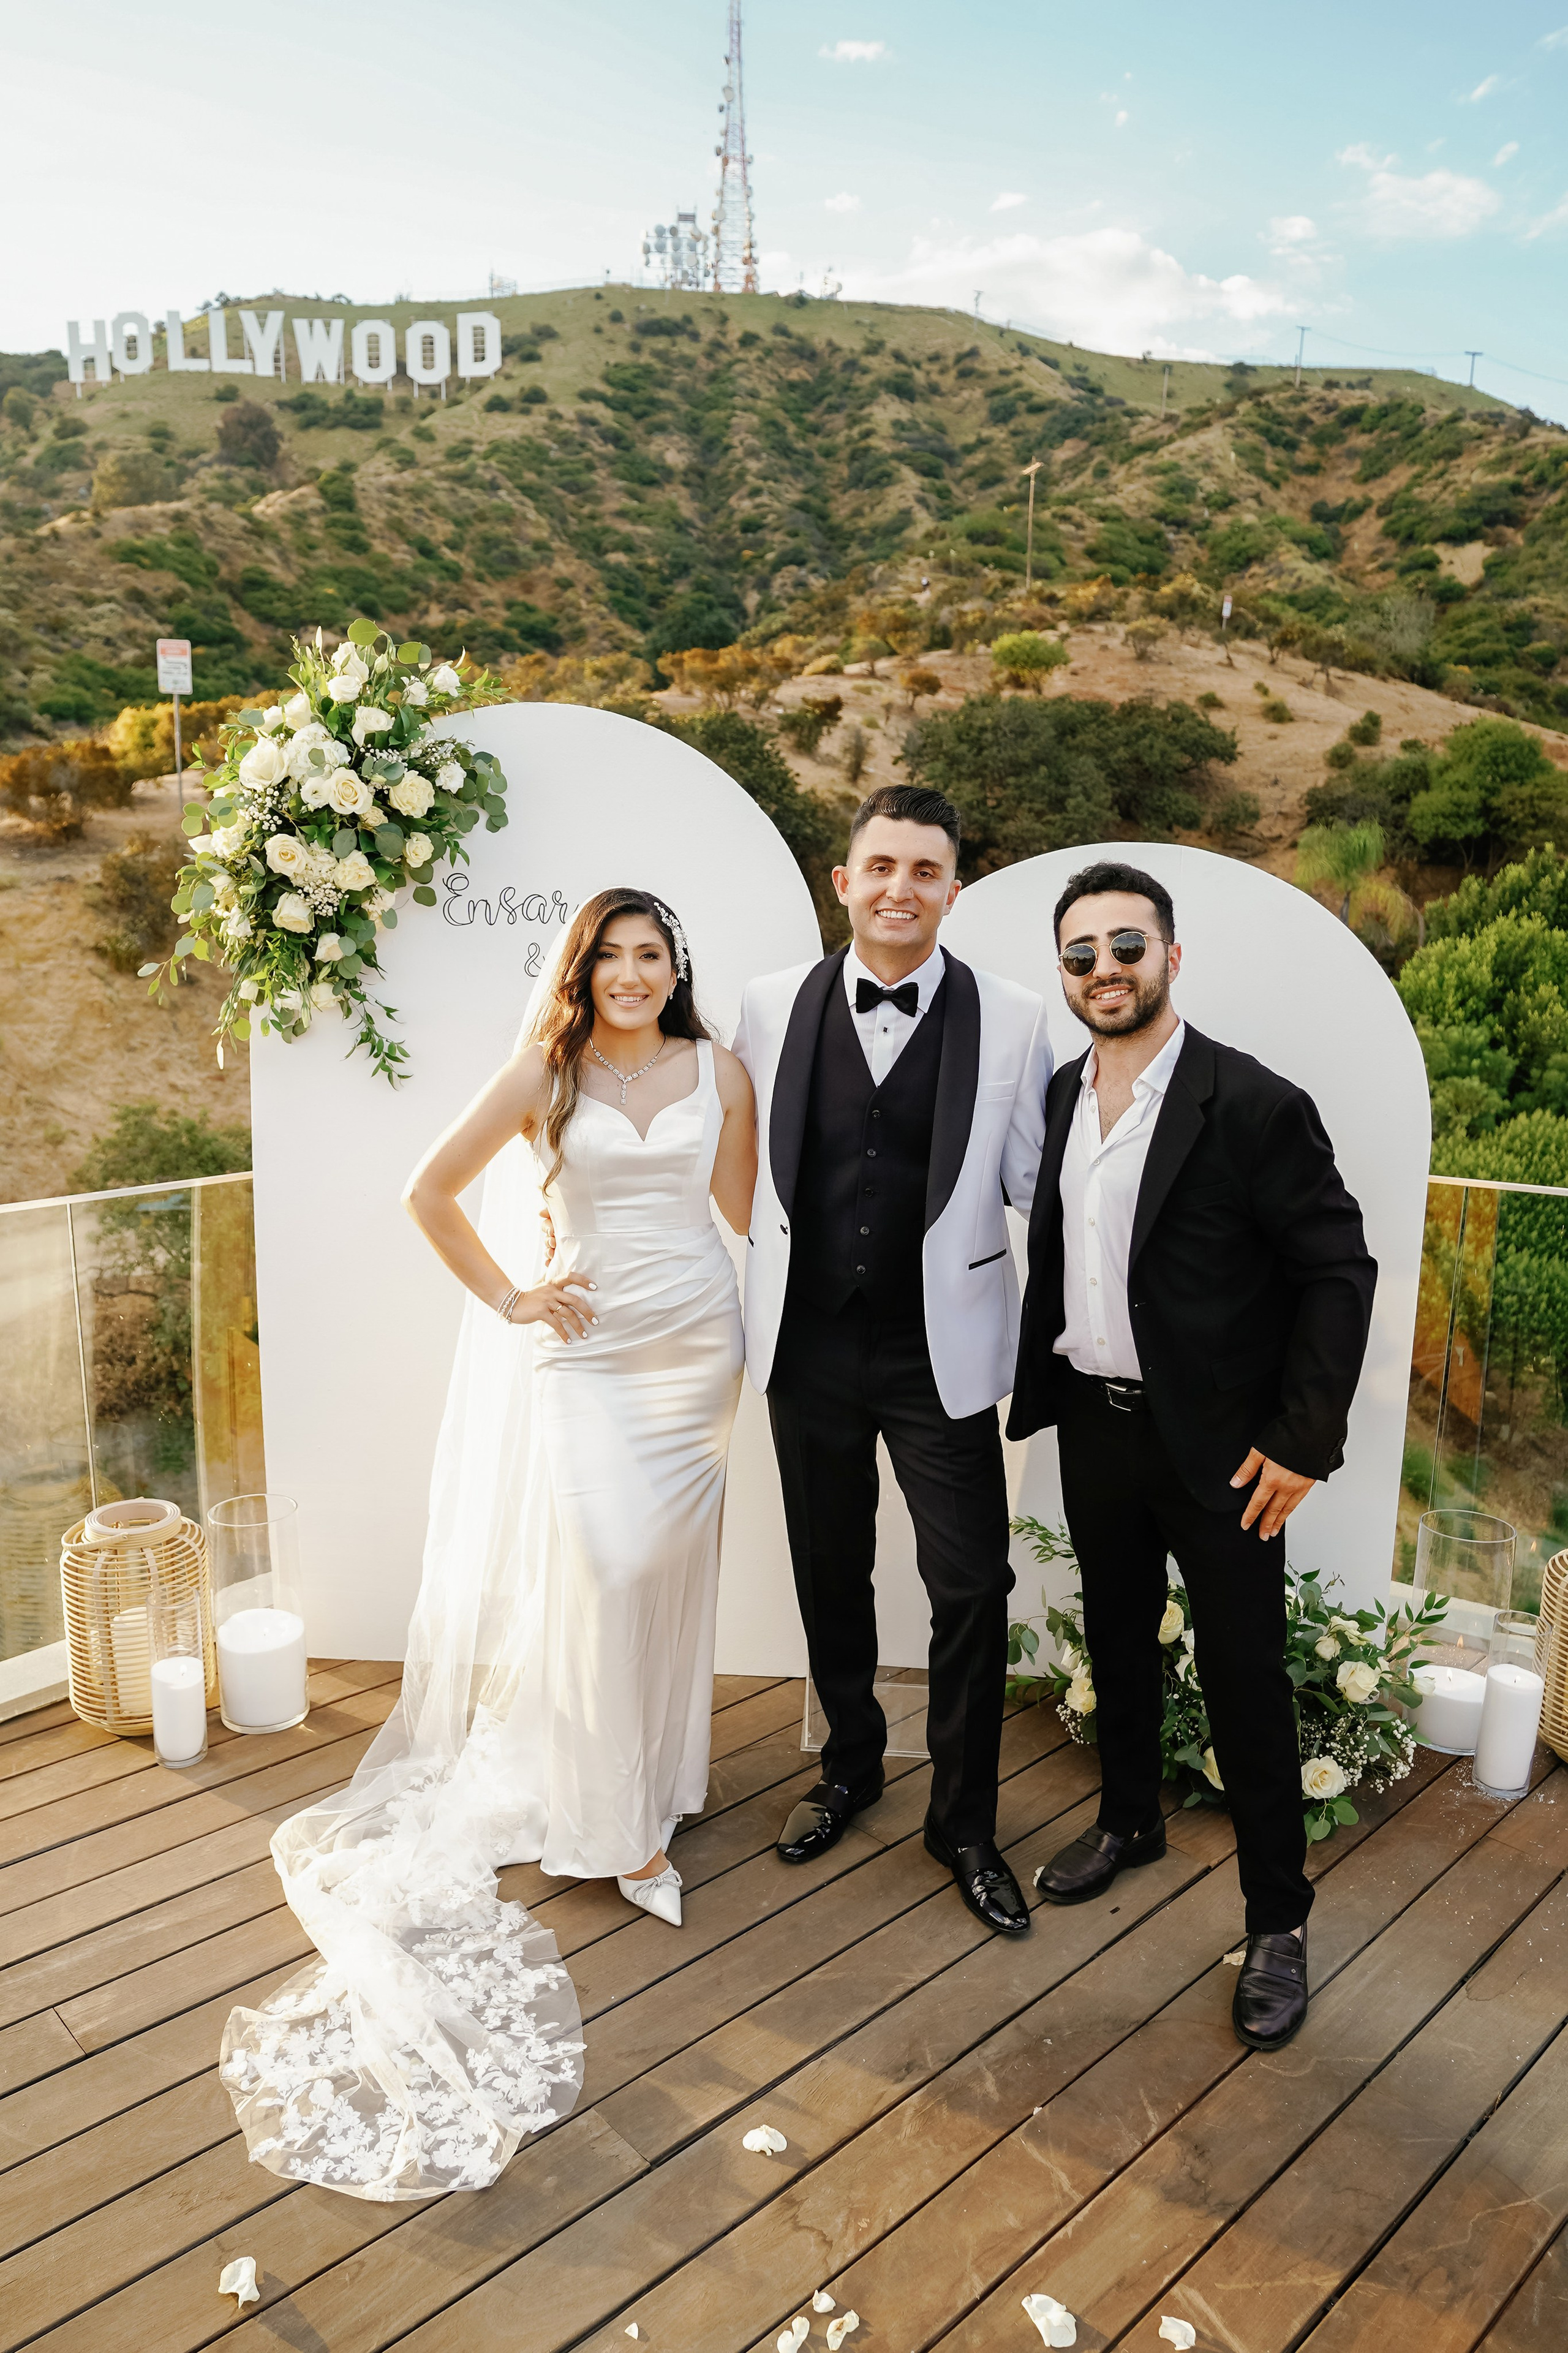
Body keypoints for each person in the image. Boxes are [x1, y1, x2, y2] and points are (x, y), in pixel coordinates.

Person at [220, 889, 756, 2200]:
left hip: (696, 1353)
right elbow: (429, 1190)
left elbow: (737, 1213)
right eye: (610, 955)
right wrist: (518, 1288)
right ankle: (608, 1823)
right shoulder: (542, 1071)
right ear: (580, 970)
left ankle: (654, 1787)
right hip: (584, 1353)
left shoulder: (722, 1068)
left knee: (668, 1575)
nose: (632, 973)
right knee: (599, 1572)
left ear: (675, 968)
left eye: (653, 955)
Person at [1009, 859, 1376, 2050]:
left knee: (1243, 1677)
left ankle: (1276, 1917)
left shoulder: (1252, 1103)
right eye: (1080, 954)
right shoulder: (1064, 1097)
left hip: (1224, 1454)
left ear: (1170, 957)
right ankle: (1128, 1821)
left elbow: (1336, 1269)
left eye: (1125, 947)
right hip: (1095, 1427)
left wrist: (1299, 1441)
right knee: (1114, 1641)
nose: (1103, 970)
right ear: (1061, 973)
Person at [735, 784, 1052, 1937]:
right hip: (806, 1339)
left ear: (953, 889)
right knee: (831, 1570)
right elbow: (728, 1153)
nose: (900, 889)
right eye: (882, 867)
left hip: (941, 1351)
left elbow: (1039, 1188)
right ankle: (851, 1766)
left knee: (973, 1584)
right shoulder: (766, 1006)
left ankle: (963, 1820)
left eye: (926, 871)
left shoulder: (1015, 1017)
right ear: (844, 880)